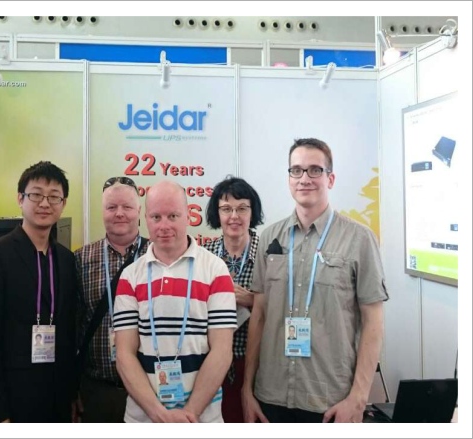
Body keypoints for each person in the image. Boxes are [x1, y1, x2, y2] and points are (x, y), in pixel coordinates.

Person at [242, 138, 389, 423]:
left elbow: (374, 323)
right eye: (296, 170)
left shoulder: (359, 239)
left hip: (330, 400)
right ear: (289, 178)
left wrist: (358, 398)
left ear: (330, 179)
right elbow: (258, 316)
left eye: (315, 170)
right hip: (271, 395)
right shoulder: (269, 238)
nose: (304, 178)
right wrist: (247, 390)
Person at [114, 180, 237, 423]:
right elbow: (124, 354)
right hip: (143, 419)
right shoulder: (130, 276)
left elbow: (222, 351)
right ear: (146, 219)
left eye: (173, 216)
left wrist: (190, 413)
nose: (164, 226)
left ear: (188, 216)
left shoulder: (215, 270)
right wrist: (158, 414)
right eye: (156, 217)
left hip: (202, 418)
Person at [0, 161, 79, 423]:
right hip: (11, 399)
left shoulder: (65, 259)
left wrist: (71, 394)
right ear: (20, 199)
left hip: (56, 399)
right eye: (36, 194)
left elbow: (68, 332)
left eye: (54, 197)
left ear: (63, 203)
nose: (45, 203)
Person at [74, 176, 149, 423]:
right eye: (111, 207)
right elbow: (73, 327)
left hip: (150, 389)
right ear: (102, 211)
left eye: (127, 207)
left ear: (139, 210)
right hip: (97, 391)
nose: (119, 213)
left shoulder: (157, 256)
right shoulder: (81, 259)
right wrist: (72, 387)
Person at [203, 176, 264, 423]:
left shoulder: (270, 253)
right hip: (211, 364)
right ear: (217, 214)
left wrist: (252, 300)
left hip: (257, 366)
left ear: (253, 212)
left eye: (242, 208)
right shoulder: (204, 257)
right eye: (226, 209)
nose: (234, 216)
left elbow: (288, 311)